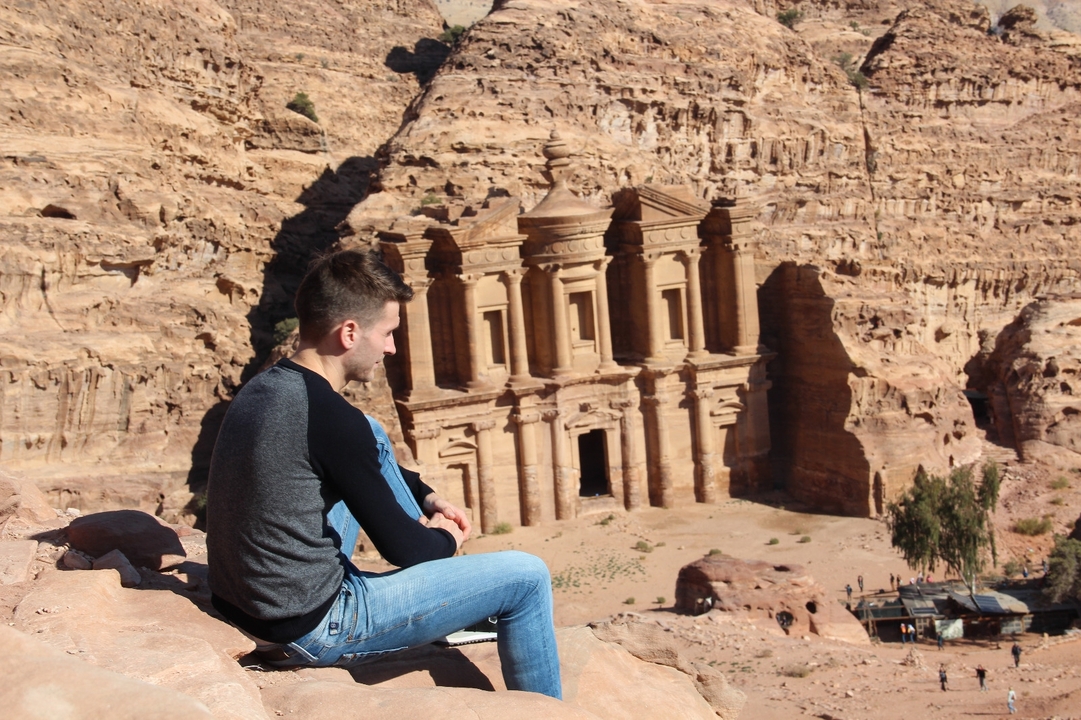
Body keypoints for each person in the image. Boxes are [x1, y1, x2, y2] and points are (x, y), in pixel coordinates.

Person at [206, 249, 562, 698]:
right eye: (388, 333)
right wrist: (446, 538)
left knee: (371, 429)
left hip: (245, 603)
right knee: (527, 576)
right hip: (309, 627)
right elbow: (408, 551)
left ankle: (450, 602)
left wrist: (426, 497)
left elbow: (357, 460)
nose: (391, 348)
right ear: (350, 332)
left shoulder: (269, 387)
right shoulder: (333, 421)